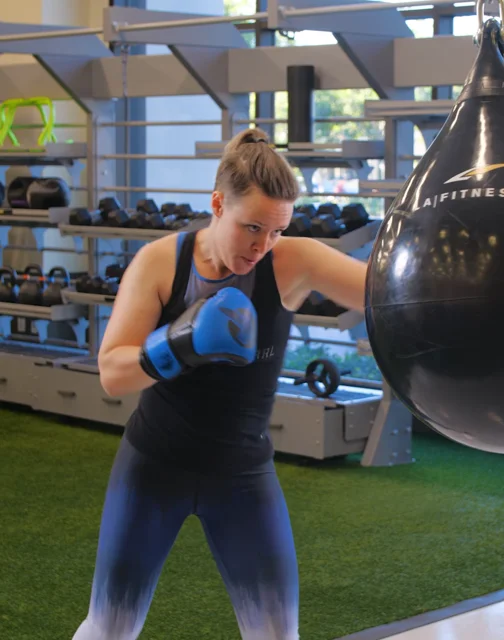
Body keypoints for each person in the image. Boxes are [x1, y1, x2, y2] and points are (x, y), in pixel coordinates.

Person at [72, 127, 368, 640]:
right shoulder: (163, 261)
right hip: (153, 468)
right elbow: (112, 372)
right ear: (216, 203)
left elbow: (385, 295)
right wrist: (180, 343)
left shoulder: (291, 262)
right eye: (252, 227)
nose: (262, 245)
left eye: (276, 230)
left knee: (277, 635)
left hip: (242, 478)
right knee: (109, 628)